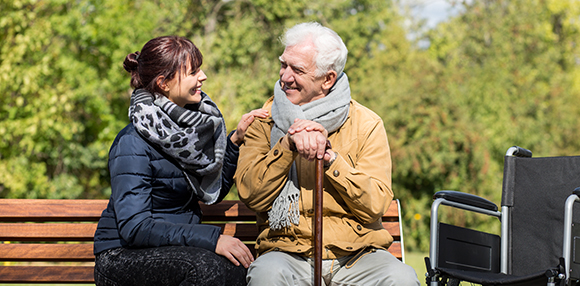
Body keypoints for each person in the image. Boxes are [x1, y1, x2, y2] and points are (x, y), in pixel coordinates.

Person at [234, 22, 420, 285]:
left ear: (328, 79)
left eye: (297, 69)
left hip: (357, 256)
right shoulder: (263, 122)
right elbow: (252, 195)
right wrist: (287, 146)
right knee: (267, 275)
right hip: (287, 253)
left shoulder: (366, 123)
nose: (285, 76)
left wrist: (331, 160)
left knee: (400, 278)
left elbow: (375, 205)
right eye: (284, 64)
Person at [93, 35, 268, 286]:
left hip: (175, 248)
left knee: (238, 270)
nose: (203, 76)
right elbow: (135, 227)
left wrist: (235, 141)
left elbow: (211, 193)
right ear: (164, 83)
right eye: (193, 71)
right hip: (123, 256)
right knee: (206, 270)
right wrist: (213, 239)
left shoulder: (188, 135)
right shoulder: (132, 142)